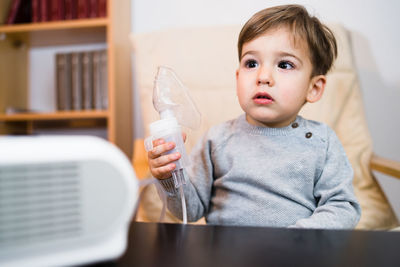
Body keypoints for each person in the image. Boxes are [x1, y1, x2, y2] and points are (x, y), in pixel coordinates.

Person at [147, 4, 361, 228]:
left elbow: (342, 207)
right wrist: (168, 176)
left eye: (284, 64)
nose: (263, 76)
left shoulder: (322, 143)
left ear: (313, 88)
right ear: (238, 77)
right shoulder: (217, 140)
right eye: (251, 63)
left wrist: (298, 238)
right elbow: (189, 210)